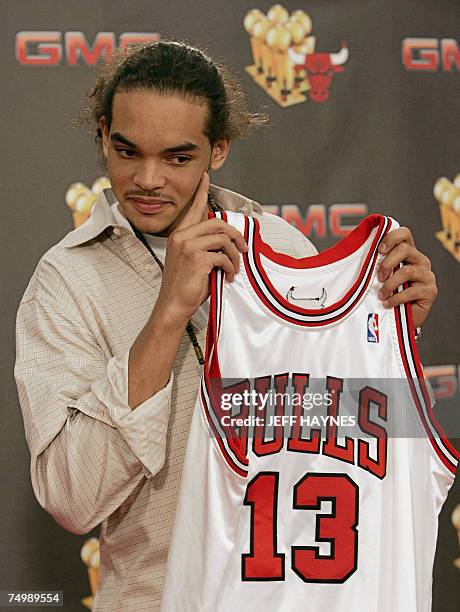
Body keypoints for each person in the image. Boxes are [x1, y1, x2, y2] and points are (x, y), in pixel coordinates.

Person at [14, 41, 438, 611]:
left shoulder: (281, 245)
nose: (147, 178)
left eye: (177, 157)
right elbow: (72, 497)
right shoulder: (66, 280)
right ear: (103, 134)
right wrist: (166, 317)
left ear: (219, 150)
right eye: (126, 150)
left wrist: (392, 342)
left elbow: (341, 442)